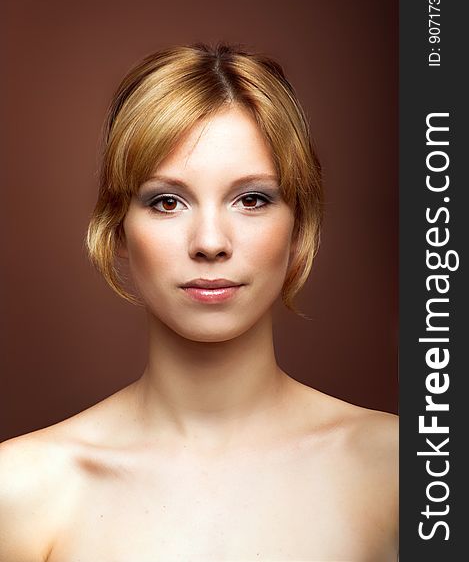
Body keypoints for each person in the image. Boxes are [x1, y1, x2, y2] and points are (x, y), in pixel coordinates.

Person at [0, 42, 398, 561]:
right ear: (117, 228)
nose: (210, 242)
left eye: (251, 199)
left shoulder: (406, 475)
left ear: (300, 225)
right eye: (167, 201)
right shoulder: (23, 491)